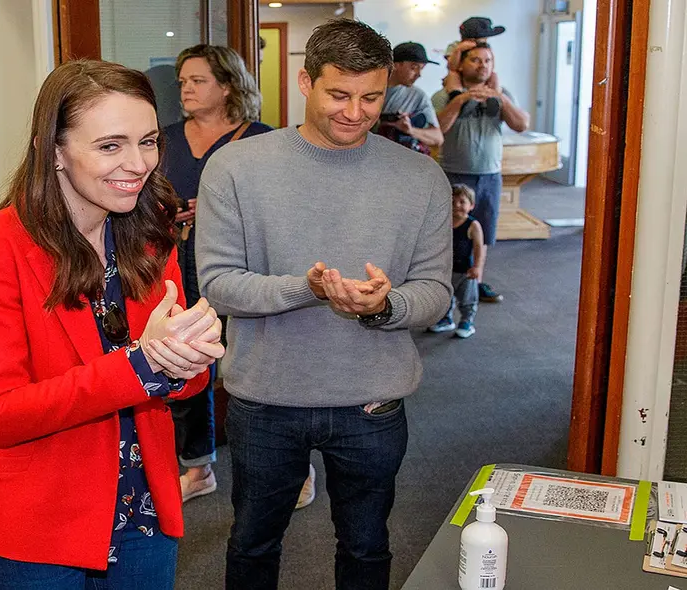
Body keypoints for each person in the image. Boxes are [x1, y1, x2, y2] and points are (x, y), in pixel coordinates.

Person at [195, 19, 452, 590]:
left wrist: (383, 307)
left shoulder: (420, 177)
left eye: (371, 97)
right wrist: (304, 289)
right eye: (339, 94)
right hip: (266, 398)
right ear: (305, 81)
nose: (355, 112)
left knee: (366, 547)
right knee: (253, 542)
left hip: (372, 402)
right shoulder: (236, 167)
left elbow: (436, 293)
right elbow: (217, 283)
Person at [0, 60, 225, 590]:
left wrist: (190, 354)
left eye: (148, 141)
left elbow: (183, 384)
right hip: (33, 522)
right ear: (52, 150)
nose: (138, 163)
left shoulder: (149, 234)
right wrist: (142, 365)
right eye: (110, 145)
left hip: (141, 509)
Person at [161, 44, 281, 504]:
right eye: (183, 82)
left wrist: (214, 213)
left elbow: (275, 212)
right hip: (176, 263)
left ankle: (294, 466)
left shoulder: (260, 139)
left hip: (243, 266)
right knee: (186, 362)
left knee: (255, 365)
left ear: (227, 84)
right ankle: (198, 467)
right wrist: (164, 213)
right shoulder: (165, 136)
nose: (186, 89)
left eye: (198, 81)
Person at [432, 42, 529, 304]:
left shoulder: (502, 93)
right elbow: (437, 131)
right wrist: (461, 100)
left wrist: (501, 100)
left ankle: (474, 284)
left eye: (487, 61)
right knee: (450, 232)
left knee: (481, 232)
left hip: (489, 175)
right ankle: (445, 284)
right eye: (475, 60)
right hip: (454, 173)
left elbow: (521, 124)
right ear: (462, 65)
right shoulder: (444, 95)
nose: (482, 65)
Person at [428, 184, 484, 338]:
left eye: (462, 202)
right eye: (452, 202)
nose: (456, 206)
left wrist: (477, 267)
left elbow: (478, 247)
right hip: (445, 269)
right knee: (445, 296)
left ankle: (467, 321)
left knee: (467, 298)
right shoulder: (443, 223)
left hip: (465, 271)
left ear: (471, 205)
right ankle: (446, 319)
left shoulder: (473, 225)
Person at [376, 41, 443, 154]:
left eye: (422, 69)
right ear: (395, 65)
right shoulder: (369, 89)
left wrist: (410, 130)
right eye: (414, 68)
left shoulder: (418, 96)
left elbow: (437, 138)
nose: (419, 74)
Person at [442, 17, 506, 93]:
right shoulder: (455, 46)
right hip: (460, 75)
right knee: (453, 76)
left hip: (481, 77)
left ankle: (495, 97)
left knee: (494, 76)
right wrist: (458, 50)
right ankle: (455, 95)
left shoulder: (486, 48)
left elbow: (492, 64)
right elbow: (452, 67)